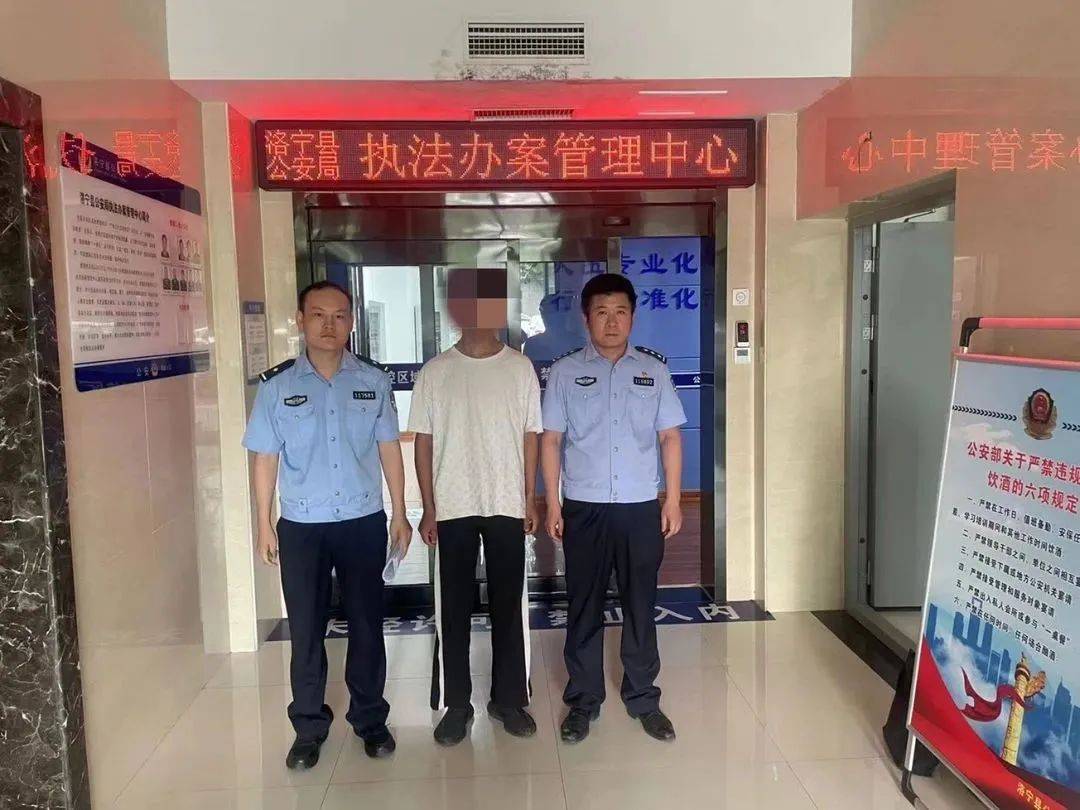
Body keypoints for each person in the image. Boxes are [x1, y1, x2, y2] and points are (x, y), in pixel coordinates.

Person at [242, 280, 411, 770]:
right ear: (301, 321)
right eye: (318, 315)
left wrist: (401, 512)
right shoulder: (277, 386)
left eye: (339, 315)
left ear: (352, 322)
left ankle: (370, 719)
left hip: (362, 521)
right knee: (306, 629)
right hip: (302, 525)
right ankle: (309, 727)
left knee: (367, 625)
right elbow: (265, 458)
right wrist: (263, 522)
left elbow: (388, 448)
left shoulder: (373, 380)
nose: (329, 325)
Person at [541, 272, 686, 744]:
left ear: (632, 318)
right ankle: (583, 702)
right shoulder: (564, 373)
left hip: (640, 507)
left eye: (620, 312)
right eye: (601, 312)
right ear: (586, 319)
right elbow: (551, 441)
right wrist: (553, 503)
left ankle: (644, 698)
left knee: (640, 604)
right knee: (583, 604)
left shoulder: (654, 371)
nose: (611, 321)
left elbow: (670, 437)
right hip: (584, 507)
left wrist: (673, 499)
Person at [408, 267, 543, 746]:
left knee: (510, 605)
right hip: (452, 506)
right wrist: (428, 506)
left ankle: (509, 700)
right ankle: (456, 704)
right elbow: (423, 443)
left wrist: (529, 497)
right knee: (453, 609)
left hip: (506, 502)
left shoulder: (519, 368)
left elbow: (530, 436)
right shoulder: (436, 371)